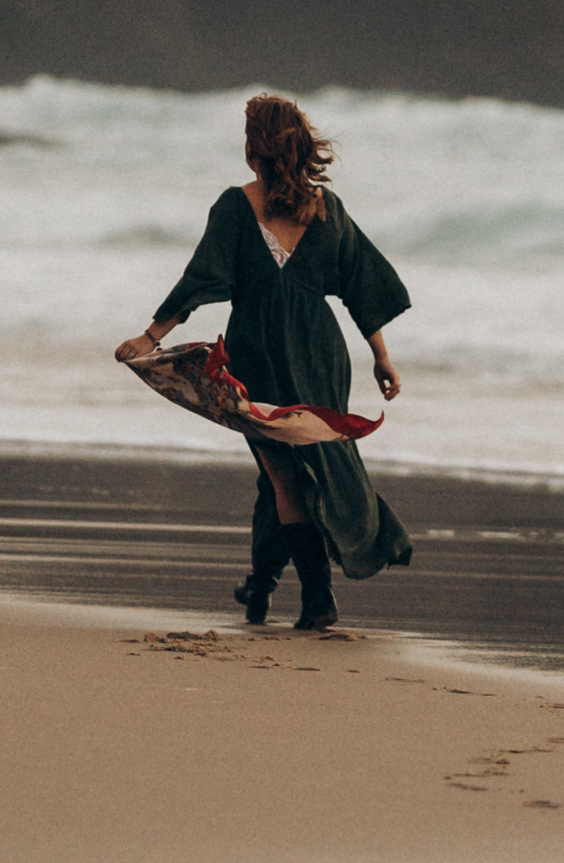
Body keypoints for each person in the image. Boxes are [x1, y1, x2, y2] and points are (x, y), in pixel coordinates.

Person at [124, 94, 411, 629]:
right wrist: (381, 357)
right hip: (316, 352)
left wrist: (150, 335)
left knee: (284, 475)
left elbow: (202, 277)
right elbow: (363, 285)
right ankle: (262, 584)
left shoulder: (242, 205)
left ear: (254, 149)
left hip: (262, 352)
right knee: (281, 472)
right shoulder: (324, 207)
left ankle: (316, 598)